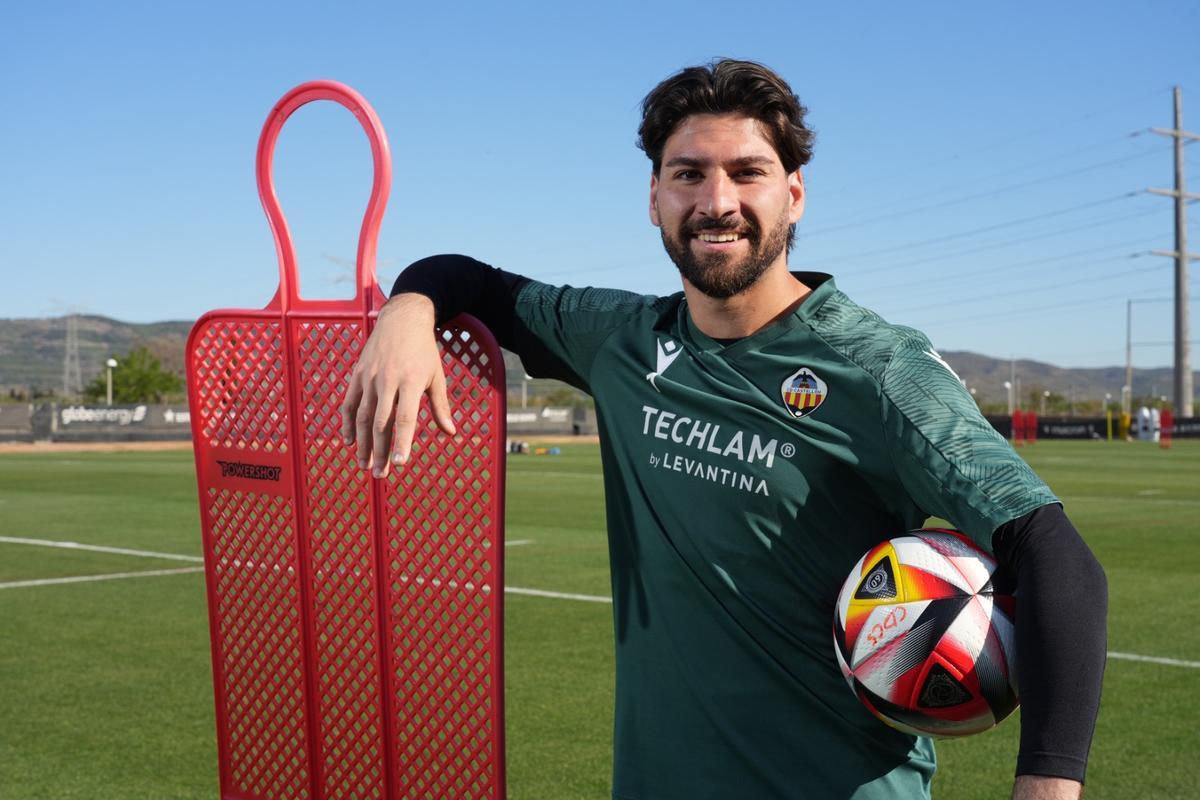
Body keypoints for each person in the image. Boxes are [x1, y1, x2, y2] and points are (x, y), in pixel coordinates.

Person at [340, 59, 1107, 800]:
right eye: (688, 174)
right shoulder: (622, 337)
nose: (717, 200)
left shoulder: (878, 368)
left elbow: (1054, 556)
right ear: (653, 197)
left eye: (748, 172)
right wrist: (409, 309)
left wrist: (1046, 782)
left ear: (795, 193)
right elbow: (469, 279)